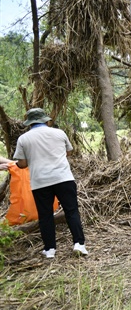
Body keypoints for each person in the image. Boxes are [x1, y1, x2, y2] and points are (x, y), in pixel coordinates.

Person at [13, 108, 88, 258]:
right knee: (71, 211)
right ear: (46, 120)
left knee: (45, 215)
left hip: (40, 182)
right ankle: (79, 244)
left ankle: (50, 250)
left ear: (30, 123)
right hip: (63, 178)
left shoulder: (24, 139)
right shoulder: (59, 133)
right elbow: (68, 152)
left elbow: (22, 163)